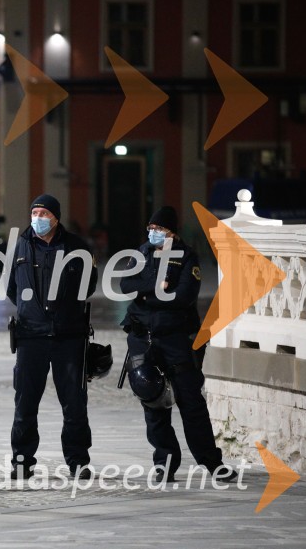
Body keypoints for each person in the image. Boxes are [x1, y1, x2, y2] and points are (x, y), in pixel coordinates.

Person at [119, 206, 237, 483]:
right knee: (153, 401)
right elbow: (126, 286)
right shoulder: (142, 253)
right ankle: (164, 464)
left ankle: (212, 463)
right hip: (143, 339)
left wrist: (147, 294)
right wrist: (156, 287)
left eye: (160, 229)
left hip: (177, 340)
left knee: (191, 404)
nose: (154, 233)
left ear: (172, 232)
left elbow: (182, 297)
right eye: (151, 228)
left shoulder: (186, 257)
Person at [7, 194, 97, 480]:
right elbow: (12, 287)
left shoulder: (76, 247)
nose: (38, 218)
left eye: (44, 213)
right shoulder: (21, 245)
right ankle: (22, 463)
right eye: (35, 213)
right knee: (25, 404)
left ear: (56, 217)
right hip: (30, 336)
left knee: (74, 403)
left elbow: (89, 285)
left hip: (68, 336)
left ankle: (78, 461)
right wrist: (30, 310)